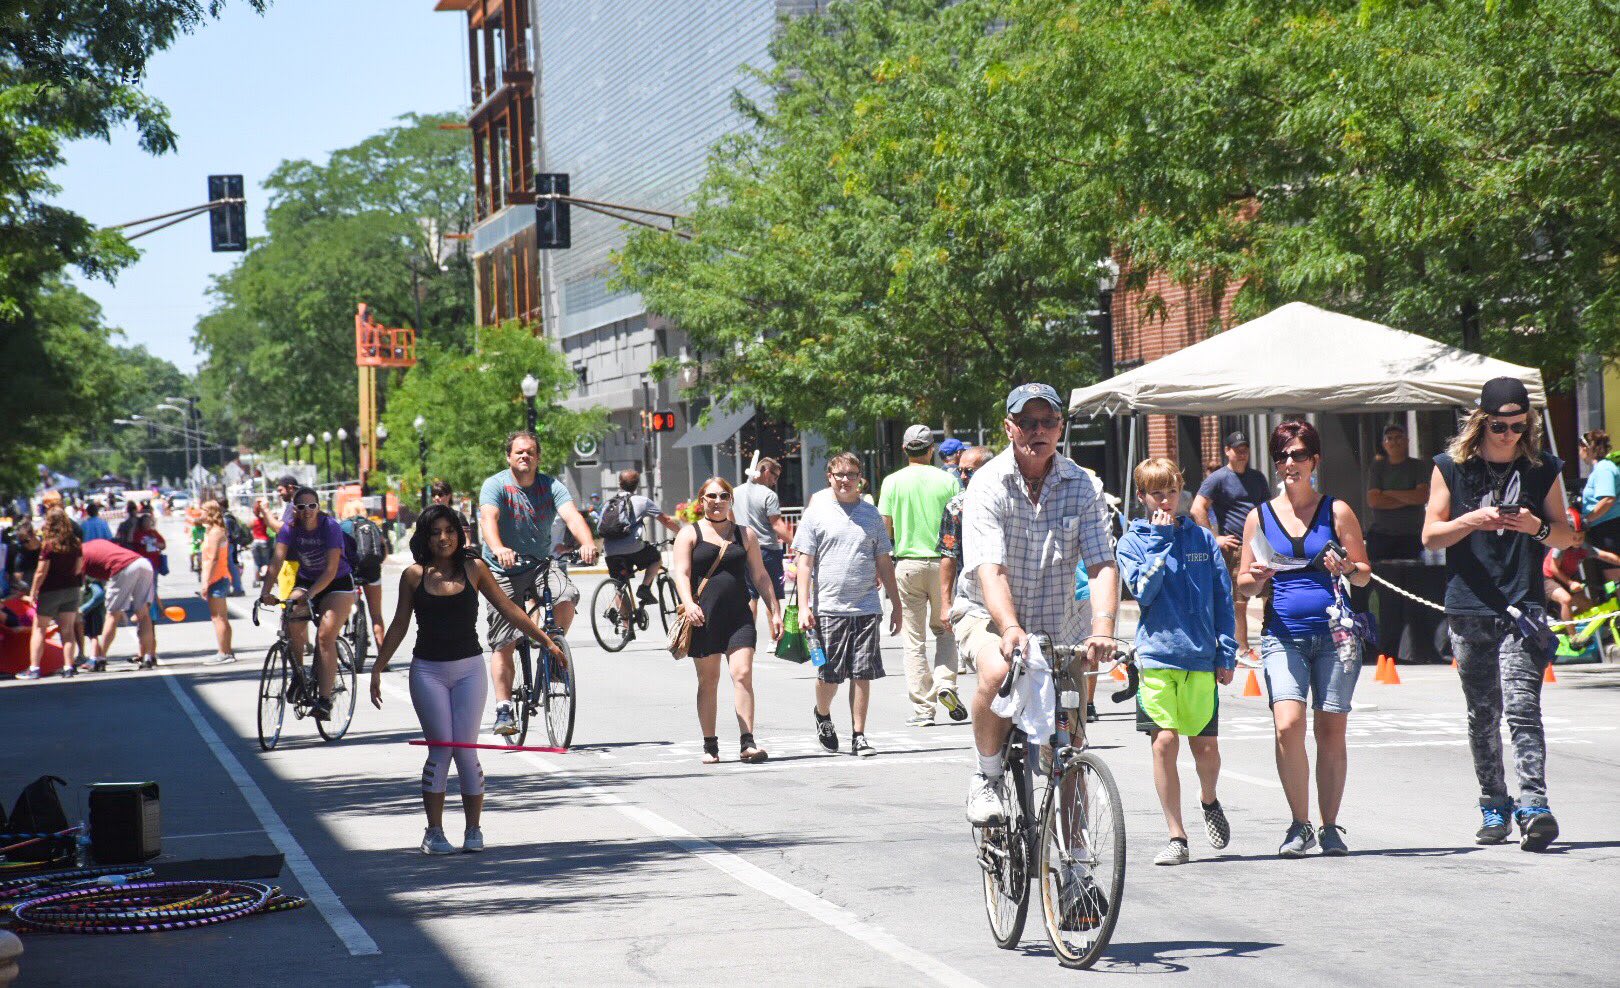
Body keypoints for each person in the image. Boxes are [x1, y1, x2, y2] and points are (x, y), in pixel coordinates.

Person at [1422, 377, 1574, 852]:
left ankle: (1534, 806)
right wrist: (1472, 520)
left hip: (1523, 607)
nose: (1508, 434)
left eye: (1517, 425)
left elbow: (1567, 536)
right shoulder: (1452, 467)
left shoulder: (1542, 468)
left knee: (1524, 710)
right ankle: (1494, 802)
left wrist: (1537, 526)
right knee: (1482, 713)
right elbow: (1430, 535)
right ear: (1481, 422)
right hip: (1469, 606)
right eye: (1499, 425)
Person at [959, 384, 1120, 825]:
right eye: (1027, 422)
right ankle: (987, 776)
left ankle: (1075, 864)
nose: (1038, 430)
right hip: (990, 617)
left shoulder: (1082, 484)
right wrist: (1010, 627)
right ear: (1009, 428)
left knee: (1068, 748)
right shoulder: (988, 483)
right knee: (996, 670)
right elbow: (991, 570)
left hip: (1059, 624)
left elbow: (1103, 562)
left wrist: (1103, 627)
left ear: (1061, 428)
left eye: (1048, 421)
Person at [370, 504, 564, 855]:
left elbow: (509, 608)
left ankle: (474, 830)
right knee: (441, 750)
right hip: (428, 671)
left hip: (469, 670)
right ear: (425, 538)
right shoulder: (414, 575)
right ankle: (434, 831)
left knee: (466, 751)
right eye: (435, 532)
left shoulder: (474, 568)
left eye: (450, 530)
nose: (444, 538)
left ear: (459, 534)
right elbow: (399, 625)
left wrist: (546, 641)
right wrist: (377, 669)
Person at [1236, 420, 1372, 858]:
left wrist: (1347, 567)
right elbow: (1243, 583)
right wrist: (1254, 579)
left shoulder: (1338, 511)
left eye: (1297, 455)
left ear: (1314, 460)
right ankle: (1300, 824)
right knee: (1288, 725)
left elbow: (1365, 574)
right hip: (1282, 635)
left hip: (1335, 635)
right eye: (1281, 456)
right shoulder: (1259, 516)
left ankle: (1331, 826)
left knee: (1331, 729)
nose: (1289, 463)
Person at [1117, 459, 1237, 865]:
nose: (1165, 500)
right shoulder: (1131, 542)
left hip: (1200, 656)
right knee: (1164, 742)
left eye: (1171, 491)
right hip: (1156, 657)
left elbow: (1223, 598)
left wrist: (1227, 651)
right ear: (1141, 497)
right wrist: (1159, 539)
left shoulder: (1203, 540)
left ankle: (1209, 799)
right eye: (1155, 493)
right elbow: (1143, 593)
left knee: (1204, 748)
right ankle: (1176, 835)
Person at [478, 430, 598, 737]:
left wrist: (587, 542)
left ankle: (552, 652)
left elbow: (571, 516)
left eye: (530, 452)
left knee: (566, 596)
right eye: (519, 452)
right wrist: (499, 548)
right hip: (502, 569)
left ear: (538, 457)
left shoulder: (551, 485)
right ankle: (504, 708)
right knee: (504, 639)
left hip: (540, 564)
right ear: (509, 456)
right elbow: (488, 520)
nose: (524, 456)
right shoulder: (496, 485)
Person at [797, 454, 902, 757]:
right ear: (829, 476)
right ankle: (822, 713)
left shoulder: (871, 515)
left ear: (860, 478)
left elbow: (884, 561)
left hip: (867, 606)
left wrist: (895, 603)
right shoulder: (816, 514)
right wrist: (805, 607)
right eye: (839, 475)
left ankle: (859, 735)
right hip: (828, 608)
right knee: (829, 676)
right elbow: (804, 563)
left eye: (851, 475)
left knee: (862, 673)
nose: (845, 480)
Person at [672, 476, 783, 763]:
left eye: (723, 496)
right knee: (708, 680)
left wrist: (774, 609)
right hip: (704, 617)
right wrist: (688, 603)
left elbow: (759, 575)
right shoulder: (690, 534)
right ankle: (710, 744)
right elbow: (681, 574)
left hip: (738, 616)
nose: (717, 501)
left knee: (743, 674)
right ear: (702, 501)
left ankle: (748, 742)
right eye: (711, 496)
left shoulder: (745, 535)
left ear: (730, 500)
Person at [878, 424, 963, 726]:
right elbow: (959, 520)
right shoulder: (948, 481)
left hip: (907, 564)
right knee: (945, 629)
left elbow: (884, 528)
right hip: (944, 564)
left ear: (905, 449)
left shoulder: (891, 482)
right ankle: (946, 684)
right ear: (931, 450)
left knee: (913, 639)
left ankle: (923, 709)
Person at [260, 487, 356, 721]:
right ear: (295, 509)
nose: (307, 511)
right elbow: (276, 561)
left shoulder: (329, 526)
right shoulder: (290, 529)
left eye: (311, 506)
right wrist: (265, 592)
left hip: (337, 582)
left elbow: (331, 569)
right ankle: (298, 674)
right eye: (301, 507)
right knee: (290, 616)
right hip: (307, 581)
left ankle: (324, 700)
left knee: (325, 636)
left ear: (318, 507)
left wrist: (311, 594)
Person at [1192, 432, 1273, 661]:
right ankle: (1243, 648)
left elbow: (1267, 508)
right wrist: (1214, 537)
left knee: (1270, 594)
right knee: (1239, 600)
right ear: (1227, 450)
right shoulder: (1218, 478)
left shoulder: (1257, 478)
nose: (1242, 453)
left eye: (1245, 448)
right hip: (1236, 546)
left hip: (1261, 544)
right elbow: (1198, 508)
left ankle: (1271, 642)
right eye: (1237, 449)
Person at [1363, 421, 1429, 659]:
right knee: (1382, 592)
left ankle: (1413, 646)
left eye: (1398, 437)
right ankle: (1381, 644)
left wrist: (1388, 494)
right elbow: (1374, 501)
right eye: (1389, 438)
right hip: (1382, 537)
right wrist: (1406, 497)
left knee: (1410, 591)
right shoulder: (1378, 468)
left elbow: (1422, 495)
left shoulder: (1417, 466)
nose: (1394, 442)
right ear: (1384, 443)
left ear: (1407, 441)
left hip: (1410, 536)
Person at [600, 469, 680, 610]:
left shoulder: (608, 503)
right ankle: (644, 587)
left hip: (610, 551)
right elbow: (666, 520)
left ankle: (626, 628)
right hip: (633, 548)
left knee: (619, 587)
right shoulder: (642, 501)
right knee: (655, 557)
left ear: (619, 483)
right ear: (637, 484)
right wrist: (682, 533)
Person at [22, 508, 85, 679]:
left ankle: (34, 668)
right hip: (71, 589)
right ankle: (68, 667)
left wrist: (34, 591)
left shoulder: (49, 545)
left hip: (50, 590)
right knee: (67, 630)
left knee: (39, 628)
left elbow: (41, 571)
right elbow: (79, 567)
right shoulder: (75, 542)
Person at [937, 445, 995, 617]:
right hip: (971, 598)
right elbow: (949, 554)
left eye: (969, 471)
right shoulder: (956, 507)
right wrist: (946, 602)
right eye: (960, 470)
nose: (962, 476)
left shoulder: (1011, 499)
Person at [731, 457, 793, 616]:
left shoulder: (735, 492)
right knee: (771, 596)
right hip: (766, 551)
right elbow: (777, 525)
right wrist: (797, 543)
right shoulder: (769, 495)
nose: (775, 481)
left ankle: (748, 639)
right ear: (765, 471)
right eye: (775, 476)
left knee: (750, 597)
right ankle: (776, 639)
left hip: (742, 549)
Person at [83, 537, 159, 668]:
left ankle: (99, 659)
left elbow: (80, 580)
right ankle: (147, 657)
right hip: (142, 563)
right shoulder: (94, 543)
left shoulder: (80, 554)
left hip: (123, 567)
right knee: (144, 614)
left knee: (112, 614)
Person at [1577, 430, 1620, 591]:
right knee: (1611, 581)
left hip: (1609, 529)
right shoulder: (1603, 467)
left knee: (1615, 578)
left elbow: (1608, 499)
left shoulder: (1603, 468)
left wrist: (1586, 520)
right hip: (1605, 528)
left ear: (1586, 448)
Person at [198, 500, 236, 665]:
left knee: (218, 618)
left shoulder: (215, 533)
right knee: (221, 618)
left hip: (217, 577)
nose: (201, 514)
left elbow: (213, 559)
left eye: (203, 511)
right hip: (218, 576)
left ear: (210, 512)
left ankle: (224, 652)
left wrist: (206, 582)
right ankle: (227, 651)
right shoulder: (214, 531)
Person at [431, 480, 476, 549]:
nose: (436, 498)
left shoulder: (458, 516)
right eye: (434, 495)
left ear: (449, 496)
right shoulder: (428, 517)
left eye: (440, 494)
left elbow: (467, 540)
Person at [250, 500, 274, 586]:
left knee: (256, 563)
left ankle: (256, 581)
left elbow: (249, 529)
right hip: (264, 541)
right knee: (266, 562)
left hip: (255, 542)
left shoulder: (253, 521)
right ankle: (268, 579)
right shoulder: (265, 520)